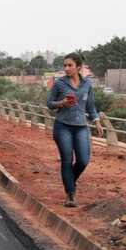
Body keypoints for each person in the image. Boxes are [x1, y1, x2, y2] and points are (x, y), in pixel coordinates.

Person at [46, 53, 104, 207]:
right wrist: (62, 103)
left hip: (81, 127)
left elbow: (90, 106)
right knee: (67, 159)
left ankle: (70, 181)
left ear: (78, 67)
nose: (66, 68)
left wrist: (97, 121)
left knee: (83, 160)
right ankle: (70, 195)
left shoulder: (87, 84)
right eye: (65, 65)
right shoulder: (59, 84)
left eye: (70, 65)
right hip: (62, 125)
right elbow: (49, 103)